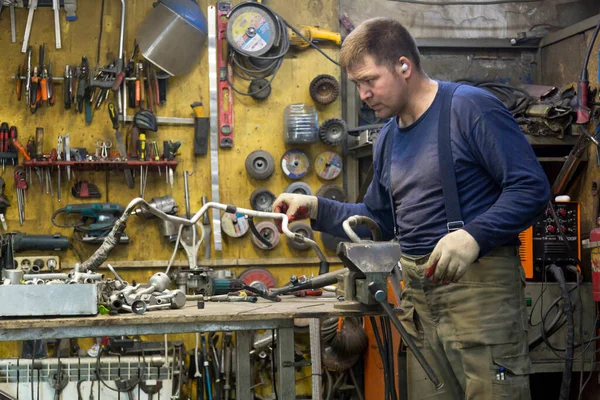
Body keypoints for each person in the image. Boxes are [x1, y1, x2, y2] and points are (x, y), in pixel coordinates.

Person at [273, 17, 551, 400]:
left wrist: (474, 235)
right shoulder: (388, 138)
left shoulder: (469, 109)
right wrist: (316, 208)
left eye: (370, 80)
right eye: (357, 85)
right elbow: (379, 220)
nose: (364, 94)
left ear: (403, 66)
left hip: (478, 294)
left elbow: (531, 187)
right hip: (418, 300)